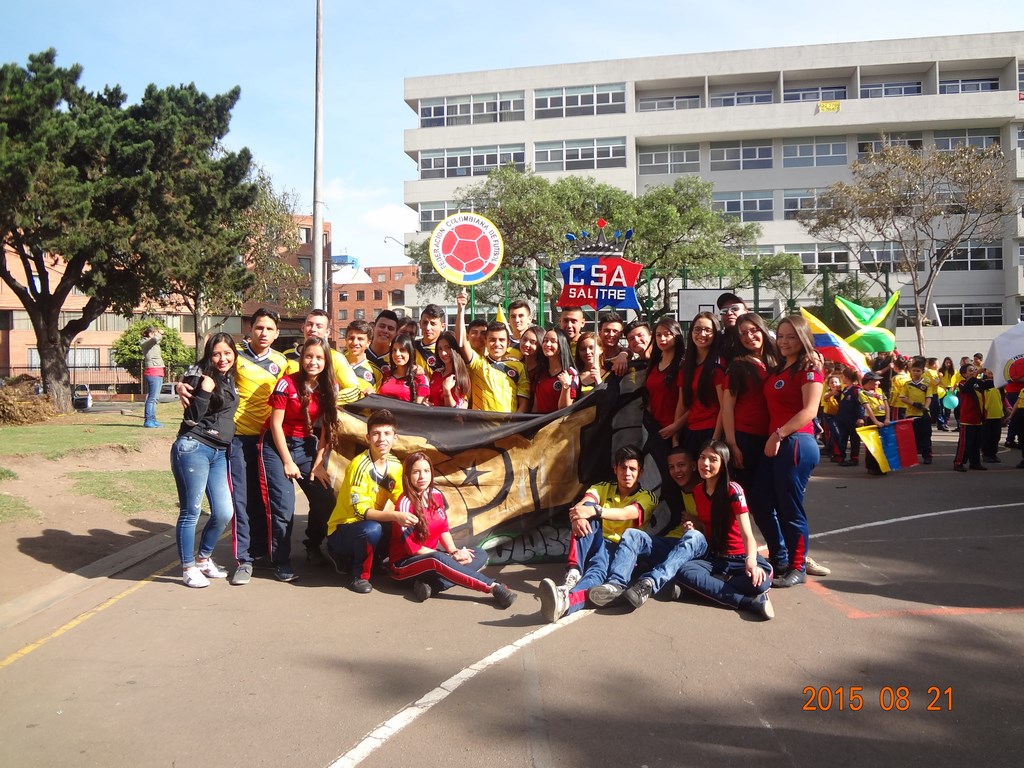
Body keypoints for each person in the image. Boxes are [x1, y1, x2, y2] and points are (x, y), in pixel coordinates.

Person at [537, 445, 657, 623]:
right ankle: (573, 573)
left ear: (640, 472)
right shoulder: (602, 487)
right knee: (586, 511)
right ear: (615, 469)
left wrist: (595, 510)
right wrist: (578, 516)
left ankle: (566, 602)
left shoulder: (648, 496)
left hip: (621, 552)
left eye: (633, 469)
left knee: (595, 576)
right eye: (623, 468)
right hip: (597, 543)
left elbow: (626, 514)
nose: (627, 473)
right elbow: (584, 505)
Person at [388, 452, 516, 607]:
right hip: (404, 566)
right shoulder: (404, 504)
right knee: (438, 558)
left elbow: (443, 529)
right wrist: (448, 557)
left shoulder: (436, 495)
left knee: (478, 554)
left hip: (432, 559)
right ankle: (493, 587)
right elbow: (414, 549)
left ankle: (432, 587)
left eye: (426, 471)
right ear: (407, 475)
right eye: (416, 472)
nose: (422, 476)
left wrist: (454, 551)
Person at [260, 336, 339, 583]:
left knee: (325, 499)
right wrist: (287, 461)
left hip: (306, 446)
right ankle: (280, 561)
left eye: (319, 358)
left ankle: (313, 545)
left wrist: (318, 463)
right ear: (301, 357)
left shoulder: (330, 386)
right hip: (277, 446)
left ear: (326, 361)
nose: (313, 362)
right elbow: (275, 425)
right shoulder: (286, 384)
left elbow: (327, 429)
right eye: (308, 356)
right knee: (284, 507)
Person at [588, 446, 706, 609]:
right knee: (632, 534)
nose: (676, 471)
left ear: (693, 466)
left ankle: (648, 583)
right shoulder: (675, 490)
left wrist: (700, 525)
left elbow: (724, 533)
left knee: (694, 536)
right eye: (672, 467)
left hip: (696, 547)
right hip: (671, 543)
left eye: (681, 465)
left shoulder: (709, 489)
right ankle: (615, 585)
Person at [754, 315, 823, 588]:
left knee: (789, 508)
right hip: (776, 443)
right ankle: (781, 557)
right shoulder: (779, 368)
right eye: (781, 336)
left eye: (791, 337)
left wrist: (779, 434)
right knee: (760, 501)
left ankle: (797, 566)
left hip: (795, 442)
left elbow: (810, 410)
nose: (784, 341)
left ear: (803, 338)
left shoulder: (809, 367)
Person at [673, 440, 774, 620]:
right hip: (715, 558)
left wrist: (751, 562)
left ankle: (707, 587)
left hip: (741, 558)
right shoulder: (698, 490)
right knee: (684, 570)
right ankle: (747, 602)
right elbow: (707, 527)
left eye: (713, 459)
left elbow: (748, 535)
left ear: (723, 463)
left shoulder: (733, 490)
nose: (705, 463)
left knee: (760, 584)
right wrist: (694, 527)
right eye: (702, 457)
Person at [170, 333, 238, 588]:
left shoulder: (229, 377)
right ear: (209, 355)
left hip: (219, 452)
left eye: (227, 353)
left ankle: (203, 559)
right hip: (194, 447)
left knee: (224, 512)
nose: (222, 358)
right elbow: (191, 417)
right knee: (191, 511)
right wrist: (204, 391)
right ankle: (187, 568)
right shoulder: (200, 377)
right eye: (216, 354)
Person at [326, 409, 405, 593]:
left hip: (367, 523)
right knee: (373, 529)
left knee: (400, 523)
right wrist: (395, 515)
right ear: (368, 437)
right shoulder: (359, 466)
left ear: (395, 438)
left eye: (387, 433)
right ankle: (359, 575)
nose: (382, 439)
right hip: (344, 528)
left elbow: (400, 498)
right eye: (376, 434)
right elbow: (362, 512)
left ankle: (376, 560)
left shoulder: (395, 465)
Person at [456, 291, 529, 412]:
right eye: (492, 340)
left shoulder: (519, 367)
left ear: (508, 343)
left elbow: (524, 403)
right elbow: (462, 342)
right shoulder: (477, 364)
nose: (497, 344)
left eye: (501, 340)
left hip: (509, 424)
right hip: (480, 424)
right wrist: (460, 310)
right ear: (485, 341)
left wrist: (514, 423)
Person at [284, 309, 370, 404]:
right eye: (309, 324)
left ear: (327, 332)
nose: (313, 329)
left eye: (319, 326)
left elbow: (354, 389)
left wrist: (325, 401)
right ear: (303, 327)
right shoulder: (287, 355)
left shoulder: (336, 357)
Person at [678, 311, 725, 454]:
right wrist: (675, 436)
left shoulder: (719, 365)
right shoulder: (686, 366)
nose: (702, 334)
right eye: (697, 329)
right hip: (690, 431)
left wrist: (714, 440)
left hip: (711, 431)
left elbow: (724, 407)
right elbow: (682, 404)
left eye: (708, 330)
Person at [531, 327, 579, 413]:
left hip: (559, 421)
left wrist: (566, 386)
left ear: (562, 345)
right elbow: (535, 407)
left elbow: (565, 409)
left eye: (553, 341)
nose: (547, 344)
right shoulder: (540, 372)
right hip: (540, 421)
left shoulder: (571, 373)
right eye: (545, 340)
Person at [377, 334, 429, 404]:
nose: (397, 354)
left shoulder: (420, 378)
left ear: (411, 352)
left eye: (402, 350)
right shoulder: (385, 375)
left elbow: (419, 407)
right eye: (394, 350)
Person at [900, 357, 934, 465]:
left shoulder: (927, 384)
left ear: (922, 371)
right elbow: (902, 398)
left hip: (923, 414)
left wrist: (925, 408)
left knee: (926, 436)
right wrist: (913, 404)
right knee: (912, 437)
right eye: (914, 370)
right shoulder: (907, 384)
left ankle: (927, 456)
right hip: (911, 414)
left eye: (918, 370)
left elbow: (929, 397)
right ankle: (911, 457)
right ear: (910, 371)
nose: (915, 372)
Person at [428, 331, 470, 408]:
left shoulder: (461, 376)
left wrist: (447, 391)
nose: (443, 353)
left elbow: (456, 410)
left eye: (447, 348)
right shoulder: (436, 373)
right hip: (431, 415)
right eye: (440, 349)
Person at [859, 371, 889, 475]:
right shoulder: (862, 393)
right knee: (872, 444)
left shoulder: (879, 391)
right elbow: (868, 408)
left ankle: (883, 466)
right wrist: (876, 421)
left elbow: (886, 405)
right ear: (870, 381)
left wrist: (887, 418)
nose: (878, 383)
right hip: (871, 419)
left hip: (883, 418)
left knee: (883, 443)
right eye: (876, 381)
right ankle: (872, 466)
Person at [835, 367, 864, 466]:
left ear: (847, 377)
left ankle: (854, 458)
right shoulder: (845, 389)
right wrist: (837, 393)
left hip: (853, 419)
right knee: (842, 437)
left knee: (854, 439)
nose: (842, 378)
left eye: (843, 376)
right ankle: (841, 456)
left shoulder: (856, 390)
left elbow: (860, 404)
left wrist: (860, 417)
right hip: (843, 418)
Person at [344, 320, 382, 389]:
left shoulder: (376, 372)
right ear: (346, 340)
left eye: (360, 339)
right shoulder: (334, 363)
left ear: (368, 343)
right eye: (351, 338)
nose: (355, 342)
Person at [140, 326, 165, 428]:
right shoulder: (146, 343)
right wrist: (160, 333)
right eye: (154, 333)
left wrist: (158, 334)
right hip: (152, 372)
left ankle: (153, 420)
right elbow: (155, 339)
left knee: (155, 399)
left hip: (158, 371)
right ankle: (148, 420)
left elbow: (157, 340)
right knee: (152, 398)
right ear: (150, 334)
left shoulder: (153, 343)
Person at [414, 304, 447, 375]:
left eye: (433, 324)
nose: (428, 328)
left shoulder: (448, 351)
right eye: (425, 323)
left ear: (443, 327)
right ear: (420, 324)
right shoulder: (412, 347)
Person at [937, 356, 958, 431]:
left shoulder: (954, 371)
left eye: (949, 363)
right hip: (942, 390)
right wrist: (943, 387)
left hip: (951, 390)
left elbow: (957, 381)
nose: (948, 364)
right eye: (946, 362)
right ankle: (941, 423)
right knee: (941, 407)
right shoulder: (941, 371)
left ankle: (946, 422)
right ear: (944, 363)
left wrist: (953, 388)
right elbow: (937, 381)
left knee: (948, 408)